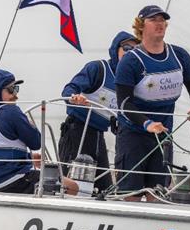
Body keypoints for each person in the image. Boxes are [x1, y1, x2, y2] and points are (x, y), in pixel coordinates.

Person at [114, 5, 190, 200]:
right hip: (134, 135)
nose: (160, 23)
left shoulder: (180, 56)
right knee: (131, 194)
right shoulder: (130, 61)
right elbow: (124, 104)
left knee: (158, 193)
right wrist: (147, 124)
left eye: (162, 20)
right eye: (153, 20)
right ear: (141, 26)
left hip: (163, 135)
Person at [59, 31, 138, 192]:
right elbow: (69, 89)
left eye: (136, 50)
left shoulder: (132, 81)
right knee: (74, 185)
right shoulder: (98, 68)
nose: (130, 52)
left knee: (104, 188)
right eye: (126, 48)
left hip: (98, 135)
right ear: (116, 50)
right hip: (77, 131)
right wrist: (74, 97)